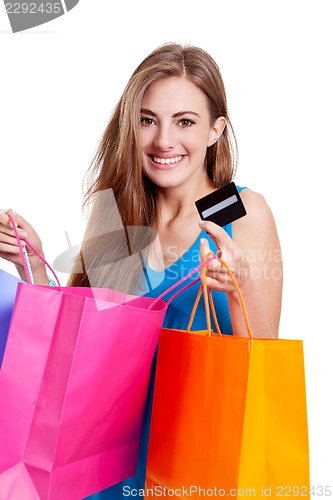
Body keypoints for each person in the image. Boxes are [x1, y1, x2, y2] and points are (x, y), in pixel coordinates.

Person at [0, 43, 282, 497]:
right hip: (104, 463)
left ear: (216, 130)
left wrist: (240, 286)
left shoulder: (240, 211)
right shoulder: (119, 213)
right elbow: (80, 345)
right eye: (148, 120)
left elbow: (265, 362)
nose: (163, 141)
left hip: (195, 457)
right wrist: (34, 261)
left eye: (185, 122)